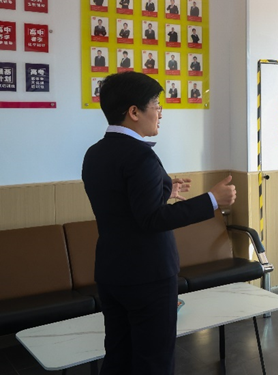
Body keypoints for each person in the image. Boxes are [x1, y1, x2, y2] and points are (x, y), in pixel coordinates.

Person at [81, 71, 236, 375]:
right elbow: (152, 219)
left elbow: (122, 205)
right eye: (156, 105)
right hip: (148, 276)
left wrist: (164, 190)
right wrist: (212, 199)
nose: (160, 113)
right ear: (134, 112)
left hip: (111, 271)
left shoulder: (95, 153)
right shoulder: (141, 157)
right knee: (154, 360)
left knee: (118, 354)